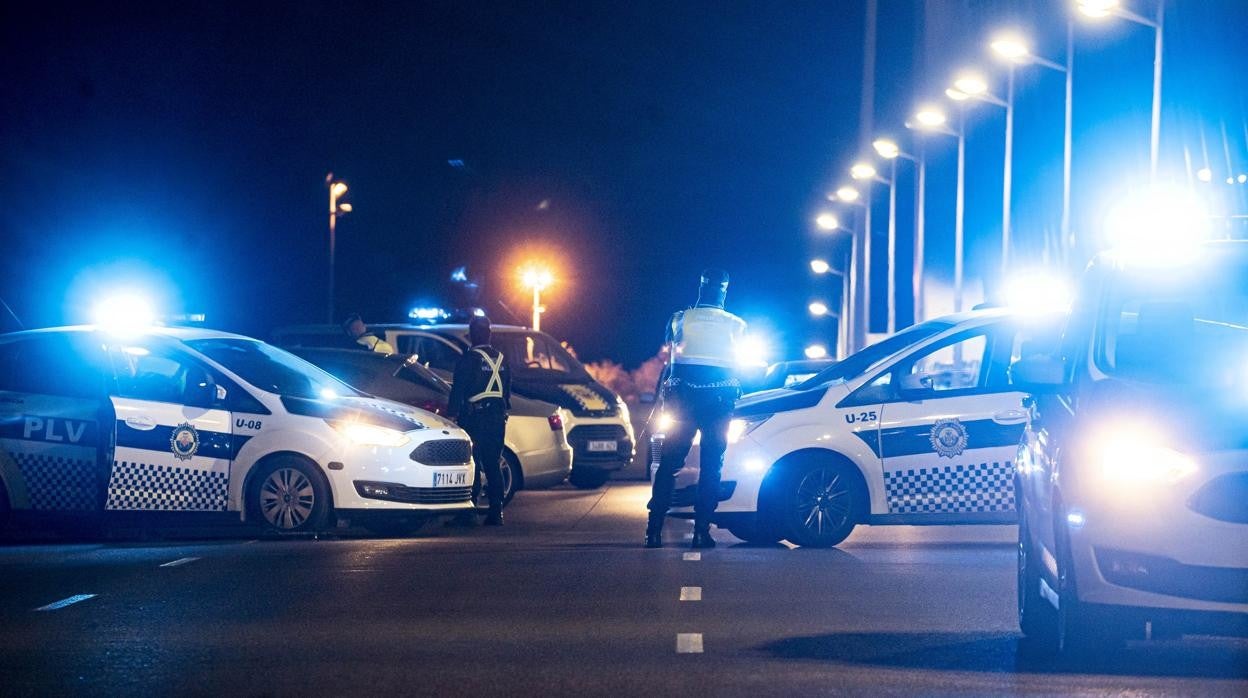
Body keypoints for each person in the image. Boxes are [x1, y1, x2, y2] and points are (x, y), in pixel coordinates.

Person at [646, 268, 746, 549]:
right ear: (724, 292)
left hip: (681, 401)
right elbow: (744, 365)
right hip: (718, 402)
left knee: (669, 464)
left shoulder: (679, 318)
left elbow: (670, 350)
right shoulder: (737, 325)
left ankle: (653, 531)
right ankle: (702, 532)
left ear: (700, 288)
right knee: (712, 466)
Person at [447, 315, 511, 526]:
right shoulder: (502, 359)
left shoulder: (469, 359)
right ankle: (496, 512)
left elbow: (458, 390)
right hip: (498, 417)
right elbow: (507, 392)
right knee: (493, 463)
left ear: (472, 334)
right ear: (489, 334)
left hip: (476, 418)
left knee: (473, 462)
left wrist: (452, 415)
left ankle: (468, 512)